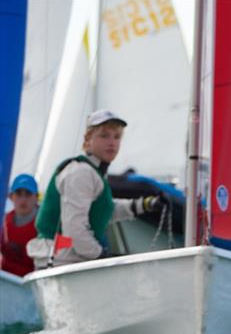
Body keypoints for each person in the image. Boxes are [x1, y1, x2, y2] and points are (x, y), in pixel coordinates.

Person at [26, 109, 164, 268]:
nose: (112, 142)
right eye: (104, 135)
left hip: (70, 260)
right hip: (61, 261)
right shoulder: (81, 173)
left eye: (117, 136)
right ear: (88, 140)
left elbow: (102, 210)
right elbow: (75, 229)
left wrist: (144, 204)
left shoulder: (94, 171)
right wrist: (101, 256)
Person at [1, 174, 39, 276]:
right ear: (11, 197)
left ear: (36, 197)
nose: (23, 199)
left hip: (31, 284)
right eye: (18, 194)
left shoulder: (43, 223)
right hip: (5, 279)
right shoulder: (4, 220)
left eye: (28, 194)